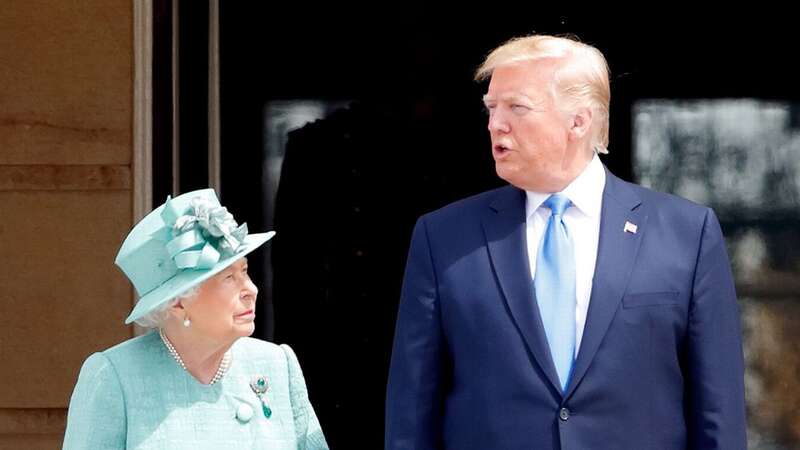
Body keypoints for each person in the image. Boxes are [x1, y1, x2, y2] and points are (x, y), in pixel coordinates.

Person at [385, 34, 746, 449]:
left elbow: (719, 416)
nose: (495, 123)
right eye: (491, 107)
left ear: (579, 120)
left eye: (516, 107)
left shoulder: (687, 234)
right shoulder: (444, 238)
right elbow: (410, 419)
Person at [63, 188, 328, 450]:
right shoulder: (115, 377)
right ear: (178, 303)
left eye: (245, 271)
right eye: (229, 278)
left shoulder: (277, 365)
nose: (251, 290)